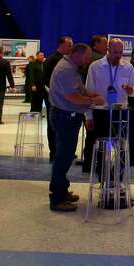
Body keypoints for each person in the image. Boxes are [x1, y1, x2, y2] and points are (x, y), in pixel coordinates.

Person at [48, 43, 104, 212]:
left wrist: (87, 96)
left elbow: (76, 91)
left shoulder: (69, 67)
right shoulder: (66, 70)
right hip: (65, 117)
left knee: (64, 157)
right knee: (63, 158)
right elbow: (71, 96)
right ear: (78, 55)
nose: (88, 60)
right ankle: (57, 198)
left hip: (66, 116)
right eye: (86, 57)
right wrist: (92, 101)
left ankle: (62, 191)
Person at [82, 38, 134, 173]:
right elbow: (89, 92)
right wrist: (88, 116)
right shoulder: (95, 67)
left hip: (120, 113)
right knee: (101, 149)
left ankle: (116, 179)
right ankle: (103, 179)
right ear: (108, 50)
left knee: (122, 149)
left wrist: (131, 90)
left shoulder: (128, 67)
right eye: (115, 52)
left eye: (120, 52)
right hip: (100, 113)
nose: (118, 56)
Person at [41, 36, 73, 161]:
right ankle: (54, 152)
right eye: (69, 45)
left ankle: (62, 150)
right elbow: (46, 80)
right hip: (53, 99)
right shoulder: (52, 60)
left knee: (62, 126)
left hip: (62, 99)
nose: (71, 48)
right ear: (62, 45)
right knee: (53, 125)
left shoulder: (65, 60)